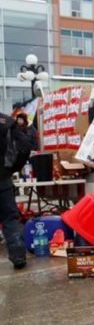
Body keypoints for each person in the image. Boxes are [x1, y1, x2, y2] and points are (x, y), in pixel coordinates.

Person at [0, 112, 33, 269]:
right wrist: (14, 168)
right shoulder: (7, 121)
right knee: (9, 219)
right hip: (2, 177)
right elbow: (25, 146)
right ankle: (18, 255)